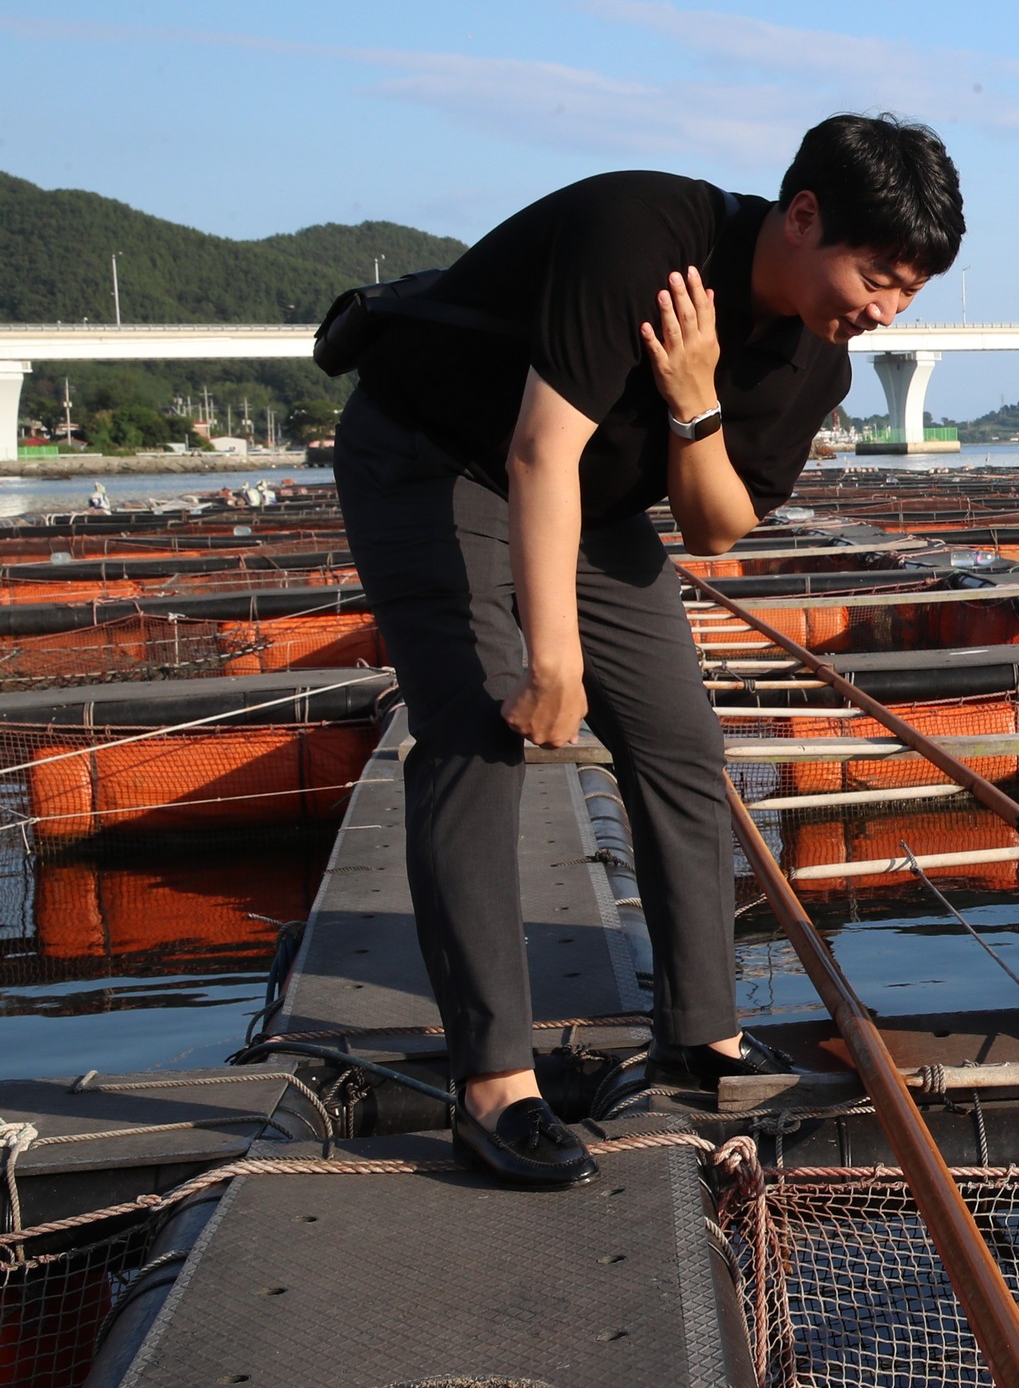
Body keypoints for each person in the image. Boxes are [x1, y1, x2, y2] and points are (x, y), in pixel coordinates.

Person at [333, 115, 963, 1187]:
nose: (886, 309)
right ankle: (492, 1087)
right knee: (480, 727)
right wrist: (554, 657)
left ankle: (698, 1036)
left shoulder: (818, 364)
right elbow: (539, 448)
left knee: (680, 737)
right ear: (803, 215)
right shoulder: (645, 230)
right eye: (878, 274)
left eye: (910, 291)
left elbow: (715, 526)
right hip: (432, 454)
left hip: (589, 501)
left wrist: (695, 399)